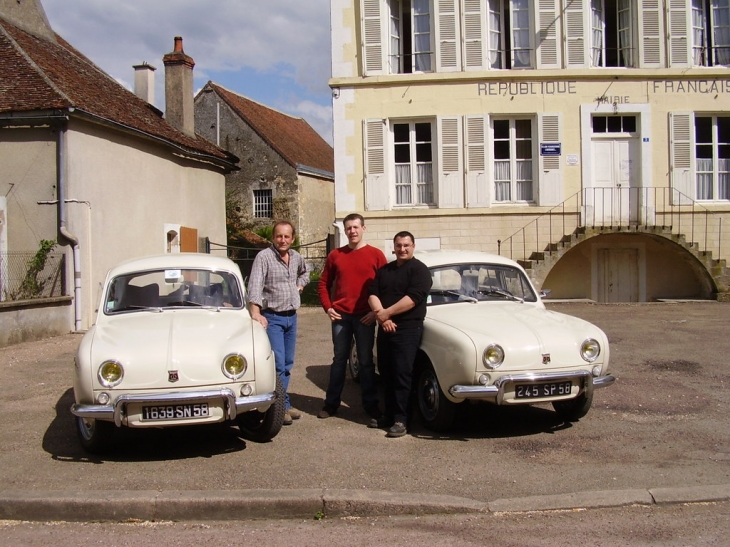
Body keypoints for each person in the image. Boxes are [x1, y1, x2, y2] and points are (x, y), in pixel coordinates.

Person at [317, 213, 387, 420]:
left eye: (356, 227)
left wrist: (375, 313)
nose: (352, 231)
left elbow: (385, 286)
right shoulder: (335, 255)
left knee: (365, 362)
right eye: (348, 228)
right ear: (345, 230)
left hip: (365, 317)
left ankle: (371, 405)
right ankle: (331, 404)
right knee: (339, 360)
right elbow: (323, 284)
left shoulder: (376, 255)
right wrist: (327, 307)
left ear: (363, 229)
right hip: (341, 316)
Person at [368, 231, 432, 438]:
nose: (402, 249)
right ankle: (388, 414)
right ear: (393, 247)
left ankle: (401, 419)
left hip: (408, 329)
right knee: (386, 372)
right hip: (386, 326)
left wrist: (386, 313)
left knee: (403, 374)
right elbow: (372, 293)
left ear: (413, 246)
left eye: (406, 245)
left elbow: (413, 299)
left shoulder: (420, 271)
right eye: (398, 245)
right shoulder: (385, 270)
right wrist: (383, 318)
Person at [248, 221, 309, 426]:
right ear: (273, 237)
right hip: (273, 317)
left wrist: (300, 285)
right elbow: (254, 286)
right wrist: (255, 312)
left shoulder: (296, 257)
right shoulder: (264, 257)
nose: (283, 240)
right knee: (278, 364)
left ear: (292, 239)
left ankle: (285, 402)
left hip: (292, 317)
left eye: (287, 237)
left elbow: (305, 272)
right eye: (279, 236)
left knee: (288, 364)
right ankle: (276, 408)